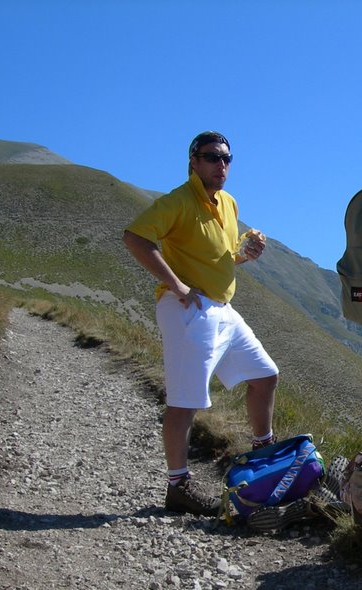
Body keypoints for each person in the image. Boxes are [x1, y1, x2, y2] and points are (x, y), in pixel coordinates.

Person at [123, 131, 279, 517]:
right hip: (189, 309)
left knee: (265, 375)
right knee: (185, 400)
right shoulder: (178, 201)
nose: (220, 165)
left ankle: (266, 457)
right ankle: (178, 486)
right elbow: (136, 237)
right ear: (193, 161)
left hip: (223, 308)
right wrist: (176, 285)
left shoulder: (227, 203)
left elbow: (223, 257)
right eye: (211, 157)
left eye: (226, 158)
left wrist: (245, 255)